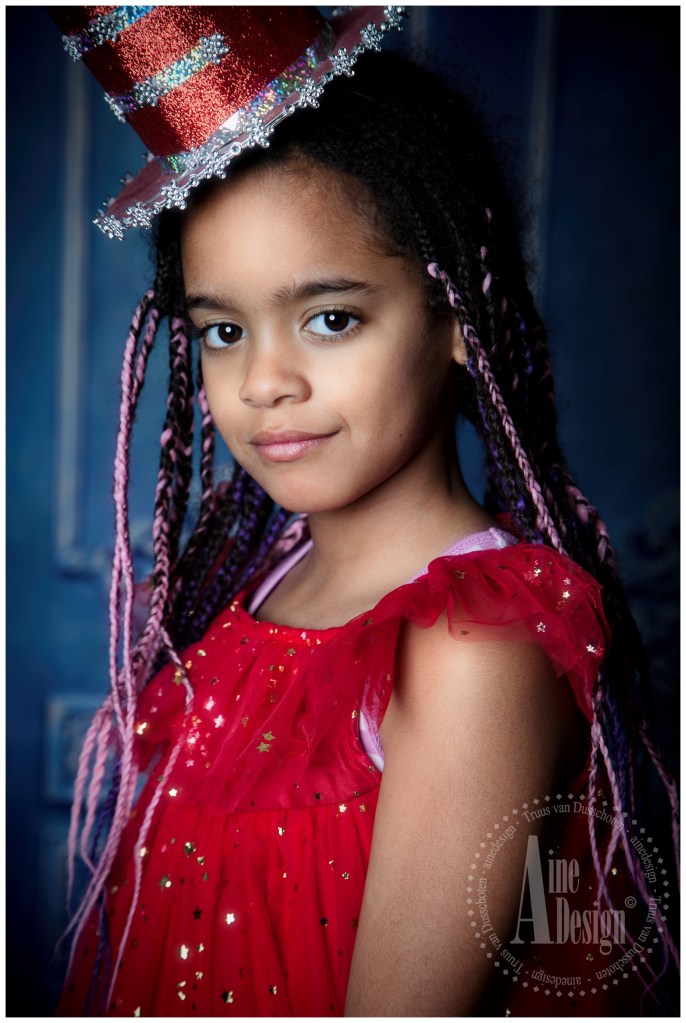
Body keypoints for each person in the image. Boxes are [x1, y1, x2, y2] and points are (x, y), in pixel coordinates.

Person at [54, 7, 678, 1017]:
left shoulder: (470, 645)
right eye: (222, 332)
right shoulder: (259, 586)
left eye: (330, 318)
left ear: (457, 316)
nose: (265, 381)